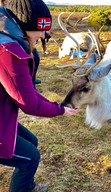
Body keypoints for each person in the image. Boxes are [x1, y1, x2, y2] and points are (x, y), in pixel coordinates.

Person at [0, 0, 79, 192]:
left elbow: (28, 92)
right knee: (31, 158)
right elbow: (28, 104)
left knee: (32, 142)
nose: (44, 35)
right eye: (41, 30)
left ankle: (27, 184)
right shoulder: (8, 52)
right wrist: (60, 111)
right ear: (26, 25)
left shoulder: (9, 41)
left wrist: (55, 105)